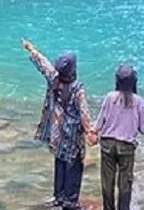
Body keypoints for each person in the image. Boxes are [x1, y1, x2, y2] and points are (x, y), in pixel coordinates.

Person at [23, 38, 92, 209]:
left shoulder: (54, 78)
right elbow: (84, 115)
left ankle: (59, 197)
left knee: (60, 163)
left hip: (57, 133)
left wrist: (31, 48)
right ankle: (70, 202)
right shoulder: (77, 89)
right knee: (74, 167)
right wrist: (91, 133)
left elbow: (42, 63)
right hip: (73, 137)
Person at [88, 64, 144, 210]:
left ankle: (108, 208)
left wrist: (92, 133)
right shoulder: (138, 101)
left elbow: (100, 121)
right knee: (125, 183)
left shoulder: (110, 97)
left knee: (107, 182)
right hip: (127, 147)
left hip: (107, 145)